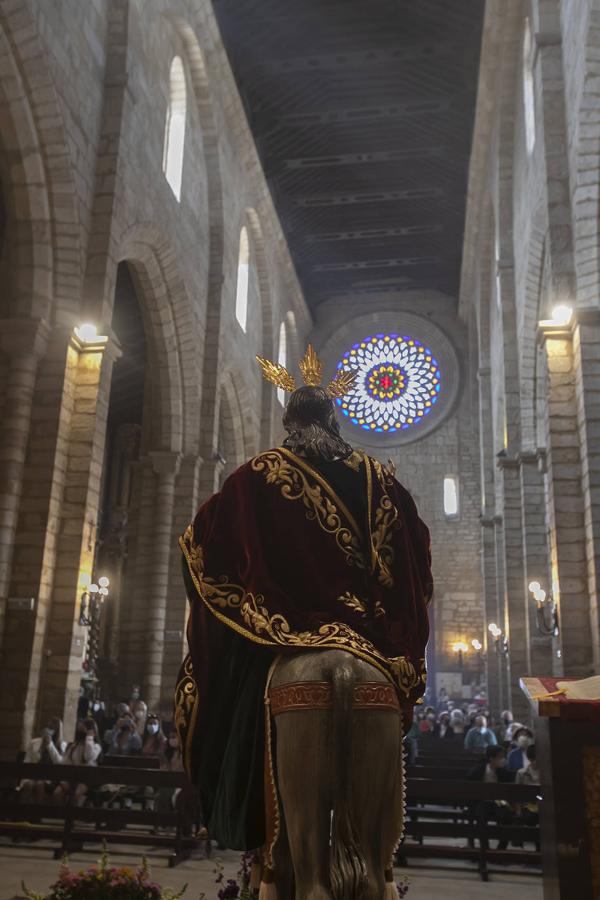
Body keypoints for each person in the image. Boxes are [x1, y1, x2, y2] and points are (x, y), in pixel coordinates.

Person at [175, 351, 433, 853]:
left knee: (233, 700)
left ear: (290, 423)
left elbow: (201, 543)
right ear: (334, 421)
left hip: (285, 637)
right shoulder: (381, 480)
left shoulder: (256, 475)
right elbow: (416, 559)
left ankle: (246, 817)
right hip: (369, 644)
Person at [54, 718, 102, 806]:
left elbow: (88, 757)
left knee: (76, 794)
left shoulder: (96, 746)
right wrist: (63, 781)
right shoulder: (73, 746)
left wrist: (89, 738)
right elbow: (65, 763)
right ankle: (63, 815)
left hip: (87, 778)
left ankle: (72, 817)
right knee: (57, 793)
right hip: (72, 777)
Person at [20, 719, 65, 804]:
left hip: (50, 776)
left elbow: (59, 762)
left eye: (53, 728)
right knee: (28, 785)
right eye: (49, 727)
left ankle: (37, 814)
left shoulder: (62, 745)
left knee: (39, 785)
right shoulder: (34, 742)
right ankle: (22, 812)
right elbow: (27, 760)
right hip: (33, 773)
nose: (49, 730)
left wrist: (50, 745)